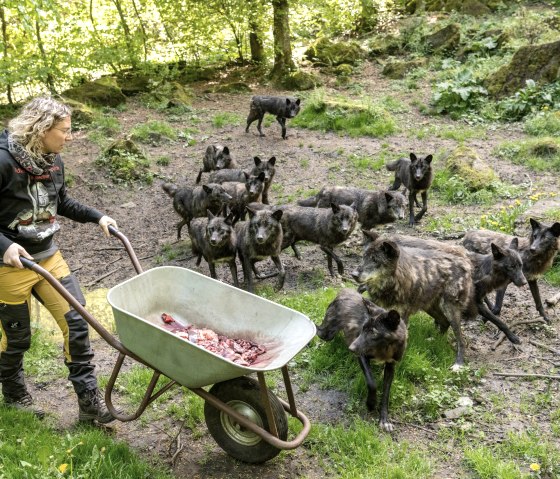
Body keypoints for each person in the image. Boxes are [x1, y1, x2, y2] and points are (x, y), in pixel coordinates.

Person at [0, 96, 118, 423]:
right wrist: (3, 247)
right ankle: (13, 394)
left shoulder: (52, 160)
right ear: (41, 129)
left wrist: (98, 217)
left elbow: (61, 201)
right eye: (64, 130)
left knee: (77, 323)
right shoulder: (2, 162)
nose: (70, 136)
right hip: (9, 266)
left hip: (48, 257)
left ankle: (90, 404)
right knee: (17, 337)